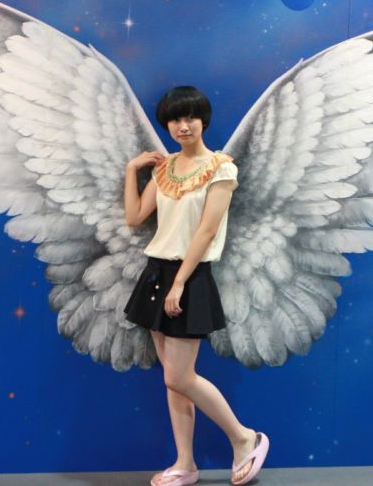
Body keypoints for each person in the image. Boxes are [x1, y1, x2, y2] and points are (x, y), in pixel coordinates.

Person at [123, 86, 270, 486]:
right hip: (156, 273)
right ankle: (185, 463)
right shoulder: (165, 168)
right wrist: (132, 170)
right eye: (174, 119)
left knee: (179, 376)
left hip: (189, 276)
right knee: (172, 380)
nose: (182, 126)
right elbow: (135, 217)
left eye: (189, 117)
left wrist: (180, 283)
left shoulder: (221, 168)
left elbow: (206, 230)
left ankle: (244, 437)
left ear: (203, 120)